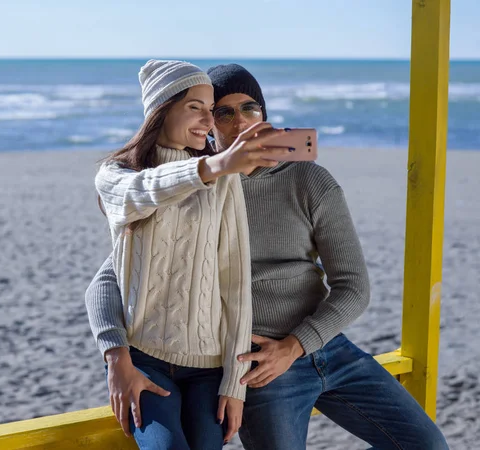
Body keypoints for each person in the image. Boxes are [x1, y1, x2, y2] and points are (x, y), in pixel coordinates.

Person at [87, 63, 449, 450]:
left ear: (265, 114)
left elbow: (354, 287)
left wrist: (296, 345)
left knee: (428, 445)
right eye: (222, 112)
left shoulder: (310, 180)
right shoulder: (200, 188)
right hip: (259, 365)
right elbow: (117, 274)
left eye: (250, 108)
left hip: (328, 347)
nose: (238, 121)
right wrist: (116, 357)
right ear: (209, 126)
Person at [93, 59, 291, 449]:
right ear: (161, 110)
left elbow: (235, 285)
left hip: (209, 369)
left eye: (209, 109)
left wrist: (235, 385)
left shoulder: (222, 181)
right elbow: (145, 190)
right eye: (195, 107)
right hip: (144, 361)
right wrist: (117, 361)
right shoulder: (117, 174)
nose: (206, 120)